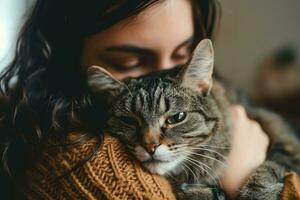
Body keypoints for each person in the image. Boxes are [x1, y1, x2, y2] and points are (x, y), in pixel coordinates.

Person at [0, 0, 269, 199]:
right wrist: (243, 177)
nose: (162, 77)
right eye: (129, 61)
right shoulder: (93, 165)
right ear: (64, 57)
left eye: (182, 55)